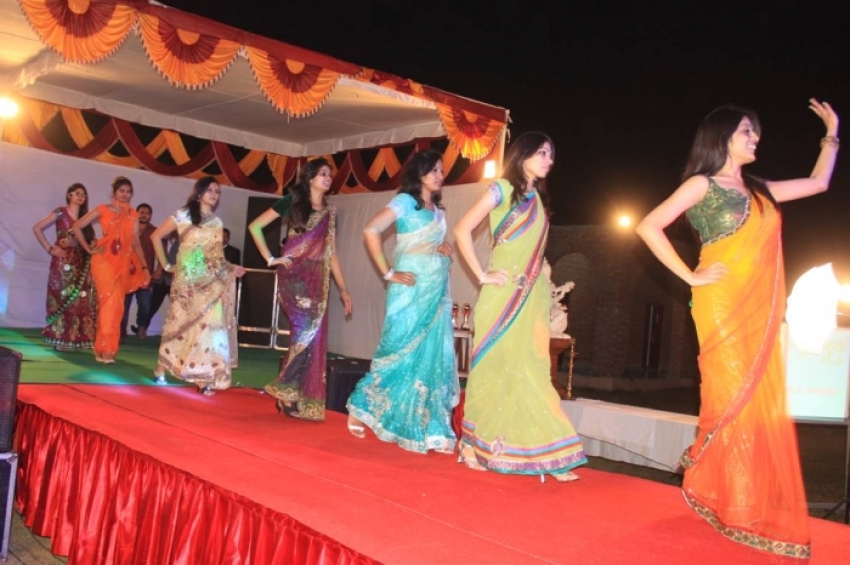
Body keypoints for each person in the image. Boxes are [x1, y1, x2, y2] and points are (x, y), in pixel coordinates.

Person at [635, 100, 839, 558]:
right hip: (721, 302)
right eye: (747, 130)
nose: (755, 137)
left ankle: (742, 497)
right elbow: (649, 226)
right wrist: (689, 276)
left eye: (755, 131)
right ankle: (735, 500)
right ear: (721, 137)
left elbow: (819, 182)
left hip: (757, 308)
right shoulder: (702, 184)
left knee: (755, 398)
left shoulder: (761, 190)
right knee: (732, 396)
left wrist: (832, 134)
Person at [452, 131, 587, 481]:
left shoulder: (539, 199)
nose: (548, 160)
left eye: (551, 154)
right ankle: (471, 444)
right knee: (494, 368)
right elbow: (462, 229)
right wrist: (481, 275)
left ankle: (549, 454)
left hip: (532, 299)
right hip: (502, 297)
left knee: (533, 370)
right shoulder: (501, 189)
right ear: (522, 154)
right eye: (541, 152)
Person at [346, 149, 459, 454]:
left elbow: (432, 244)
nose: (440, 176)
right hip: (409, 291)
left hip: (434, 293)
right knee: (396, 351)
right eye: (434, 170)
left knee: (431, 358)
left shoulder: (439, 211)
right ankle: (361, 408)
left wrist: (446, 248)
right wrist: (389, 273)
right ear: (419, 172)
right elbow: (370, 230)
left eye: (442, 171)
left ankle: (426, 427)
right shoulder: (405, 201)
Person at [248, 158, 352, 420]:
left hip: (318, 278)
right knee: (303, 333)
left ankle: (291, 392)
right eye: (323, 173)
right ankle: (286, 390)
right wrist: (271, 259)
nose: (328, 178)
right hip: (295, 277)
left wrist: (343, 288)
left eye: (330, 174)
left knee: (311, 338)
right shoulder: (292, 201)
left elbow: (331, 253)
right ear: (310, 177)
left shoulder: (330, 212)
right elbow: (255, 226)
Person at [151, 176, 245, 395]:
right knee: (179, 326)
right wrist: (166, 265)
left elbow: (217, 256)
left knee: (208, 330)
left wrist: (232, 268)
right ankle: (162, 366)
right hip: (186, 283)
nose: (214, 194)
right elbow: (156, 236)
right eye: (210, 190)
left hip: (210, 283)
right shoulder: (182, 215)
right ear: (199, 192)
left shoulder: (216, 222)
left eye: (217, 191)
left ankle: (204, 378)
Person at [73, 176, 151, 364]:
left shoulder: (132, 215)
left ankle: (104, 348)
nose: (125, 194)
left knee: (116, 306)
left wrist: (145, 267)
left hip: (122, 263)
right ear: (114, 192)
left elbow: (136, 243)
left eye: (128, 191)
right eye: (121, 190)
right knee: (108, 304)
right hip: (104, 262)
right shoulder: (102, 209)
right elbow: (77, 226)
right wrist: (88, 248)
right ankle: (105, 349)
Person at [32, 183, 97, 351]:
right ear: (69, 195)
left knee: (79, 300)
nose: (81, 197)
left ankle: (74, 338)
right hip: (62, 264)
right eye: (77, 193)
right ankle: (59, 337)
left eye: (83, 194)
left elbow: (90, 242)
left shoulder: (85, 217)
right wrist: (50, 248)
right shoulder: (61, 212)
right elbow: (37, 228)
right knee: (61, 297)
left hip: (81, 263)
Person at [122, 203, 157, 340]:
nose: (144, 215)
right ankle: (121, 332)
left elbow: (162, 253)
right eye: (142, 212)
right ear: (136, 213)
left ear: (150, 216)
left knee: (145, 304)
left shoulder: (155, 232)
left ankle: (142, 326)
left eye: (147, 213)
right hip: (127, 273)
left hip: (145, 274)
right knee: (124, 304)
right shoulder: (127, 229)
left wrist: (159, 270)